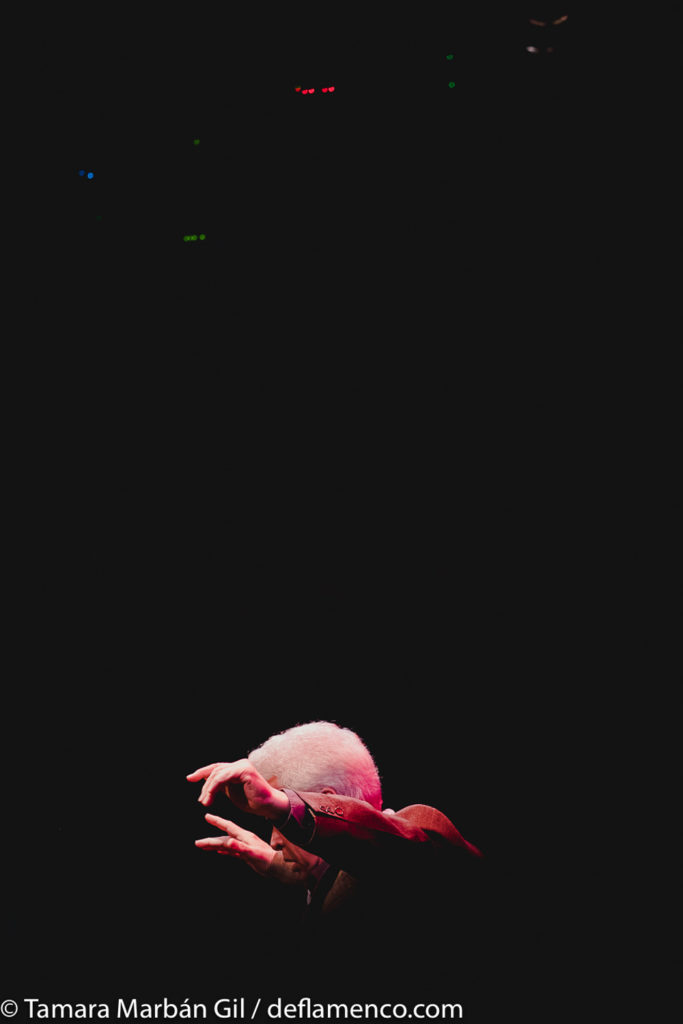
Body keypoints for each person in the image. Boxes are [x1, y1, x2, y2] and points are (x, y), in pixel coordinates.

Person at [186, 721, 484, 991]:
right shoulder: (331, 878)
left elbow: (400, 857)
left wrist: (285, 807)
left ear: (326, 801)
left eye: (278, 821)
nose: (274, 841)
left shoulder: (421, 837)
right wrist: (303, 872)